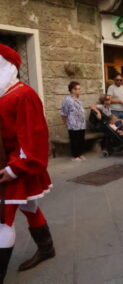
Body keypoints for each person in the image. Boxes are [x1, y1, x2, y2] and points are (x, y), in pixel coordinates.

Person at [0, 44, 55, 283]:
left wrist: (15, 168)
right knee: (30, 206)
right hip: (9, 165)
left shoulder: (23, 94)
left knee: (2, 221)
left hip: (16, 168)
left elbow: (34, 137)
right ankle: (47, 248)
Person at [60, 81, 86, 162]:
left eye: (79, 89)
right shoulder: (67, 100)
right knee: (74, 140)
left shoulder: (78, 99)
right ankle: (75, 156)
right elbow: (63, 113)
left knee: (81, 139)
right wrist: (66, 123)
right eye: (77, 89)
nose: (79, 91)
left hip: (81, 124)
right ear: (72, 90)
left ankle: (80, 154)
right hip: (73, 124)